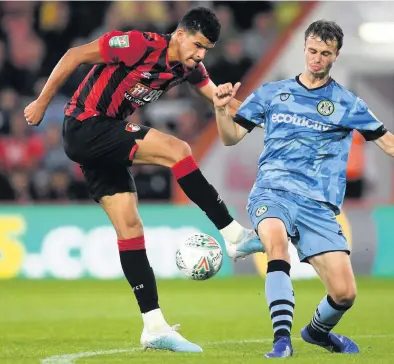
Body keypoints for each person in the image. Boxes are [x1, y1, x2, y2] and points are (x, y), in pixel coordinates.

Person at [213, 20, 394, 358]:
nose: (316, 58)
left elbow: (393, 145)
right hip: (272, 191)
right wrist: (221, 109)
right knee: (276, 247)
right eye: (312, 51)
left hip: (318, 207)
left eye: (325, 53)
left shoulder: (347, 104)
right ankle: (281, 340)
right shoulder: (272, 93)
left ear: (335, 56)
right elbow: (229, 137)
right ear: (305, 49)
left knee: (344, 294)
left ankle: (315, 332)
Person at [24, 7, 261, 353]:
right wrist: (42, 102)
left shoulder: (188, 66)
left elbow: (215, 95)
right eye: (197, 46)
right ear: (180, 35)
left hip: (102, 142)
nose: (200, 55)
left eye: (206, 50)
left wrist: (255, 113)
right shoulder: (139, 44)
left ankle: (153, 326)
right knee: (177, 149)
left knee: (130, 227)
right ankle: (234, 234)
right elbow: (75, 55)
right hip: (86, 125)